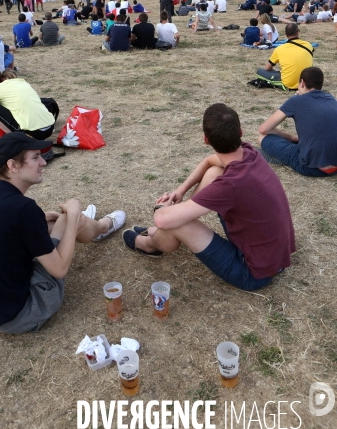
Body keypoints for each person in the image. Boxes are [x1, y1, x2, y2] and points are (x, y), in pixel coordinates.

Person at [0, 132, 126, 333]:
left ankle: (93, 225)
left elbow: (1, 229)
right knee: (70, 220)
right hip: (18, 316)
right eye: (35, 157)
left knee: (52, 223)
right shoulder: (24, 209)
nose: (43, 163)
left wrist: (40, 219)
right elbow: (60, 270)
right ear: (13, 165)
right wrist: (71, 216)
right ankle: (102, 227)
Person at [122, 103, 295, 291]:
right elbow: (209, 162)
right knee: (214, 172)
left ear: (206, 139)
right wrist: (180, 191)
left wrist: (164, 208)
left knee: (176, 222)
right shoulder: (248, 152)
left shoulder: (231, 184)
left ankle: (147, 244)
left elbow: (162, 219)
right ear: (240, 132)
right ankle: (169, 226)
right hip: (274, 256)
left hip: (254, 273)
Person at [258, 67, 337, 177]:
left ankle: (281, 156)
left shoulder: (296, 100)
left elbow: (264, 129)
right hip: (334, 167)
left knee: (262, 137)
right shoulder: (330, 98)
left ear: (302, 83)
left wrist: (286, 135)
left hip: (311, 167)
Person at [0, 71, 55, 139]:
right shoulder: (24, 83)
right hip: (50, 128)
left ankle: (14, 137)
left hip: (34, 133)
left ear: (1, 78)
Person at [256, 23, 313, 90]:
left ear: (285, 34)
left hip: (288, 84)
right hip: (307, 83)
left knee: (260, 71)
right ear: (298, 32)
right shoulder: (308, 45)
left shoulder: (279, 49)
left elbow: (267, 68)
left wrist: (277, 72)